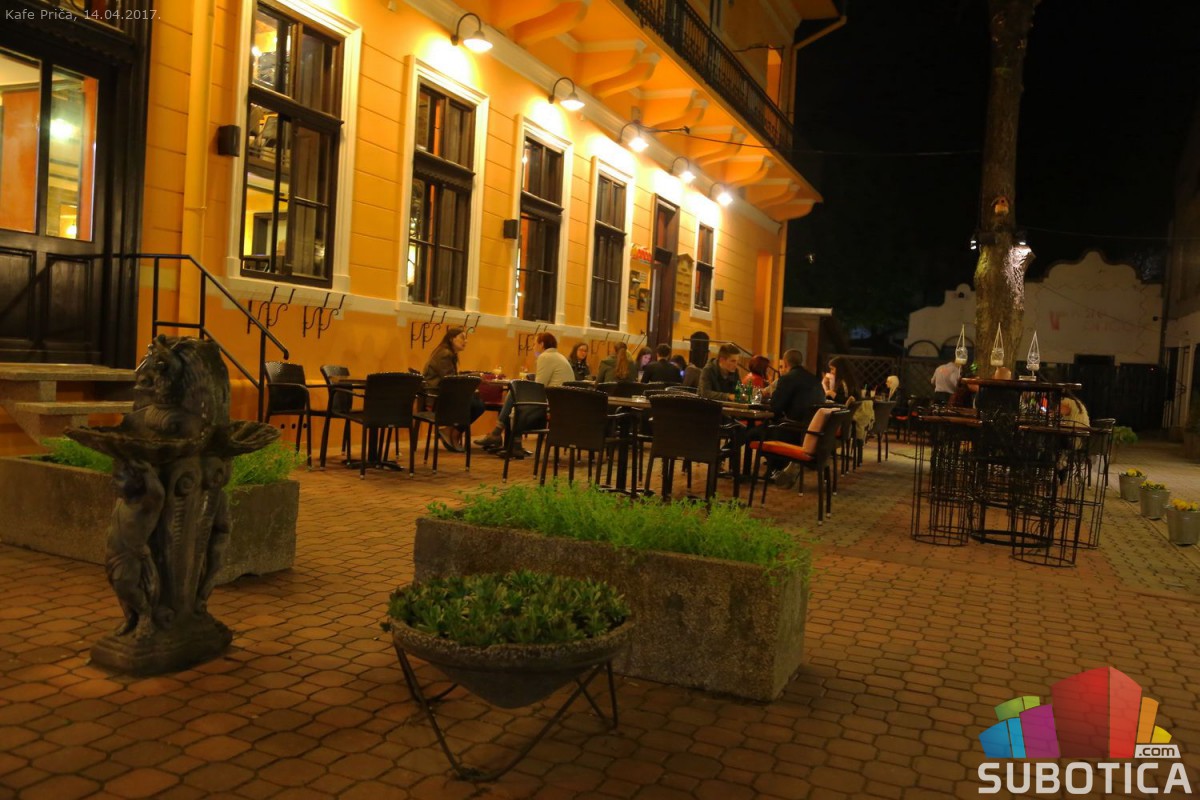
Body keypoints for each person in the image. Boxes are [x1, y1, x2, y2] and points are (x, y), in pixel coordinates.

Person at [474, 331, 570, 451]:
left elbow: (539, 386)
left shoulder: (545, 357)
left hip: (551, 404)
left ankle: (499, 434)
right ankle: (512, 443)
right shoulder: (560, 357)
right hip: (563, 404)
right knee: (515, 394)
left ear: (542, 344)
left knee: (514, 393)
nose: (533, 347)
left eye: (534, 344)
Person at [764, 350, 828, 489]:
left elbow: (775, 408)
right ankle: (781, 467)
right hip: (810, 433)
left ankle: (776, 469)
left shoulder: (787, 379)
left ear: (786, 363)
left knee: (752, 433)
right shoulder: (815, 380)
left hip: (791, 432)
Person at [422, 326, 484, 452]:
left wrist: (471, 377)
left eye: (466, 339)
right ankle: (453, 433)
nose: (465, 341)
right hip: (436, 399)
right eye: (462, 338)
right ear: (451, 339)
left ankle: (450, 431)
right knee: (477, 405)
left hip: (442, 395)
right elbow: (450, 380)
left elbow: (452, 378)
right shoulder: (445, 354)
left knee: (476, 402)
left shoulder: (448, 353)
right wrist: (473, 378)